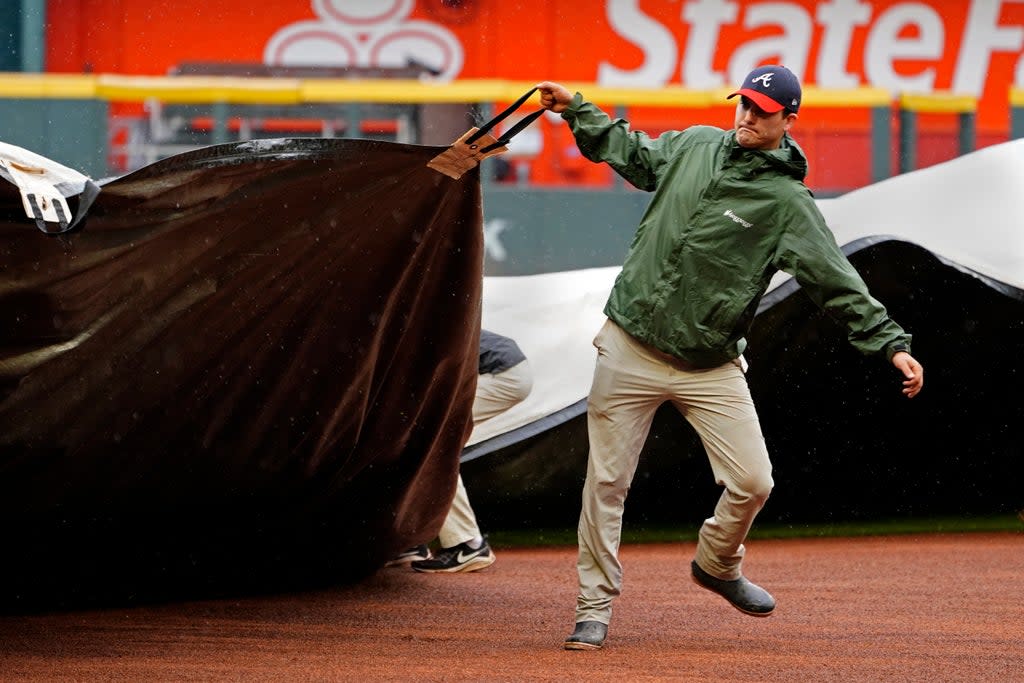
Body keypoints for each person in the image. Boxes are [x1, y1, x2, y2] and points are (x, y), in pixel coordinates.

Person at [535, 66, 924, 651]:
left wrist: (889, 342)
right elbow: (631, 151)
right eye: (743, 103)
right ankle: (593, 608)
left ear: (789, 122)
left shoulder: (787, 203)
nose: (747, 116)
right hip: (629, 344)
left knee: (753, 481)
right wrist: (575, 109)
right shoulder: (694, 145)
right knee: (606, 483)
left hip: (709, 364)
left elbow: (834, 279)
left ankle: (717, 563)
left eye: (762, 110)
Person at [387, 329, 533, 573]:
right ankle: (414, 542)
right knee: (426, 446)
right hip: (506, 370)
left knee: (433, 449)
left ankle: (468, 544)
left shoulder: (406, 329)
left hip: (503, 374)